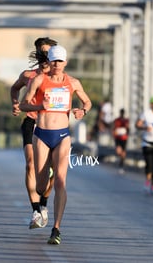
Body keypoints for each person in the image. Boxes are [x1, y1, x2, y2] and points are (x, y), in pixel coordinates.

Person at [20, 45, 92, 245]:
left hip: (62, 136)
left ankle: (56, 228)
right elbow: (23, 104)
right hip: (41, 135)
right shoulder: (39, 80)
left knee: (61, 181)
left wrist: (82, 111)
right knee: (41, 186)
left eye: (60, 61)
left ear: (66, 62)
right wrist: (38, 106)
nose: (57, 64)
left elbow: (87, 102)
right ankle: (46, 179)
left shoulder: (73, 82)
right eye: (54, 61)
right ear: (49, 62)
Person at [10, 37, 57, 229]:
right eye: (43, 52)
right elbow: (14, 89)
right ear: (37, 53)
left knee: (51, 171)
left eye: (50, 52)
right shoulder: (28, 75)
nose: (46, 56)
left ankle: (44, 204)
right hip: (31, 122)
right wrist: (15, 103)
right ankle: (36, 210)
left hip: (53, 125)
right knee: (31, 165)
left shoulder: (60, 77)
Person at [112, 108, 129, 174]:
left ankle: (121, 166)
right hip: (118, 137)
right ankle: (120, 161)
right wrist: (114, 133)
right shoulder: (117, 120)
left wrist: (127, 134)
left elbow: (128, 128)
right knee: (118, 151)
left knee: (123, 153)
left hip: (124, 138)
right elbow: (114, 127)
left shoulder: (126, 120)